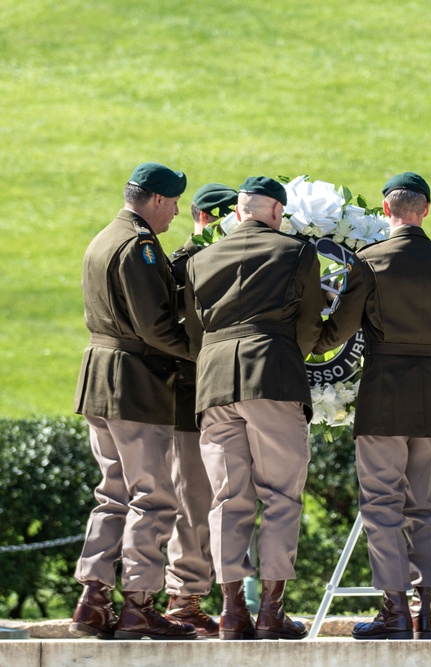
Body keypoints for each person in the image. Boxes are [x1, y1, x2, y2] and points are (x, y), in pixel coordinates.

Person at [313, 172, 431, 640]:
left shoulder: (370, 261)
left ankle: (394, 608)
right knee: (424, 503)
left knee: (381, 503)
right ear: (425, 210)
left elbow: (340, 330)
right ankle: (423, 610)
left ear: (386, 210)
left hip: (385, 392)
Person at [185, 176, 326, 640]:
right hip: (274, 375)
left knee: (228, 499)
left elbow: (194, 332)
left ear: (239, 212)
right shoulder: (298, 251)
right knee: (281, 497)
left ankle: (230, 613)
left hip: (214, 383)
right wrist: (290, 354)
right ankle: (270, 612)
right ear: (276, 212)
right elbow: (308, 324)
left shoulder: (201, 258)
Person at [71, 162, 197, 640]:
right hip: (135, 384)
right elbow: (155, 325)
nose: (176, 212)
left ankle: (93, 598)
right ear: (158, 200)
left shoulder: (104, 237)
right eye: (174, 203)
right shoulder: (139, 245)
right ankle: (139, 603)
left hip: (100, 378)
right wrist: (203, 353)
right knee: (153, 496)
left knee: (113, 492)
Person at [162, 183, 239, 636]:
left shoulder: (191, 259)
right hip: (189, 396)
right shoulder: (182, 263)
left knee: (216, 500)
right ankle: (183, 600)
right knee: (194, 501)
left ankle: (205, 597)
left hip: (213, 395)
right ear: (210, 219)